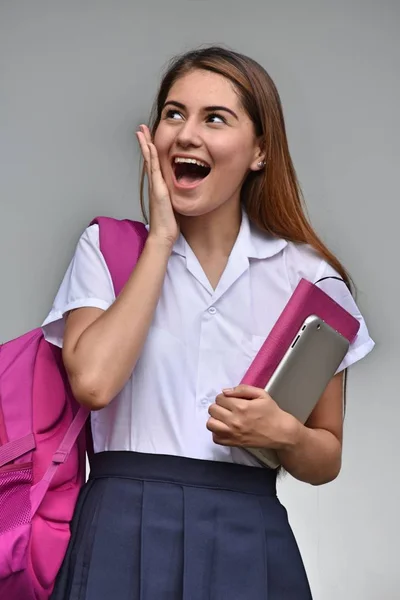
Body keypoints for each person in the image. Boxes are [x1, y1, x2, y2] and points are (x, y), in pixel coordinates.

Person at [43, 46, 374, 600]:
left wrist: (284, 434)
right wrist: (163, 239)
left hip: (249, 538)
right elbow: (94, 384)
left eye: (214, 118)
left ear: (259, 152)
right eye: (174, 114)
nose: (186, 134)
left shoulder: (310, 281)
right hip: (119, 531)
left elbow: (326, 458)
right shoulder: (107, 248)